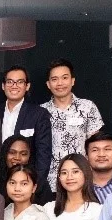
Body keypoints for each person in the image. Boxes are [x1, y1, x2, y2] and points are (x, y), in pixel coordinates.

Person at [42, 59, 104, 192]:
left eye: (65, 78)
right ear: (48, 84)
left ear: (73, 81)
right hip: (50, 182)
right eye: (54, 79)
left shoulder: (88, 107)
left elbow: (96, 144)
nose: (60, 83)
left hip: (81, 179)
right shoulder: (41, 112)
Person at [0, 65, 52, 185]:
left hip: (26, 181)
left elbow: (43, 154)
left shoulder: (39, 114)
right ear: (3, 86)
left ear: (27, 86)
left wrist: (35, 184)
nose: (14, 86)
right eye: (10, 82)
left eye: (20, 82)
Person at [0, 134, 52, 205]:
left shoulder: (40, 183)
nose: (17, 157)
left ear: (29, 157)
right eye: (12, 152)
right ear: (4, 154)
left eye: (23, 154)